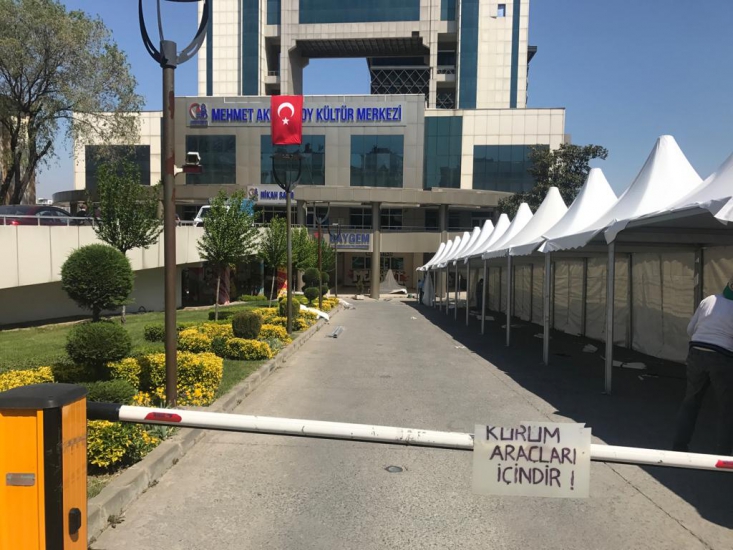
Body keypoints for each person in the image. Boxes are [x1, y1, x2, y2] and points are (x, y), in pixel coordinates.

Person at [673, 277, 733, 456]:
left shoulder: (709, 300)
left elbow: (690, 329)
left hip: (696, 352)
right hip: (722, 356)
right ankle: (723, 455)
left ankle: (679, 447)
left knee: (691, 401)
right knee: (727, 408)